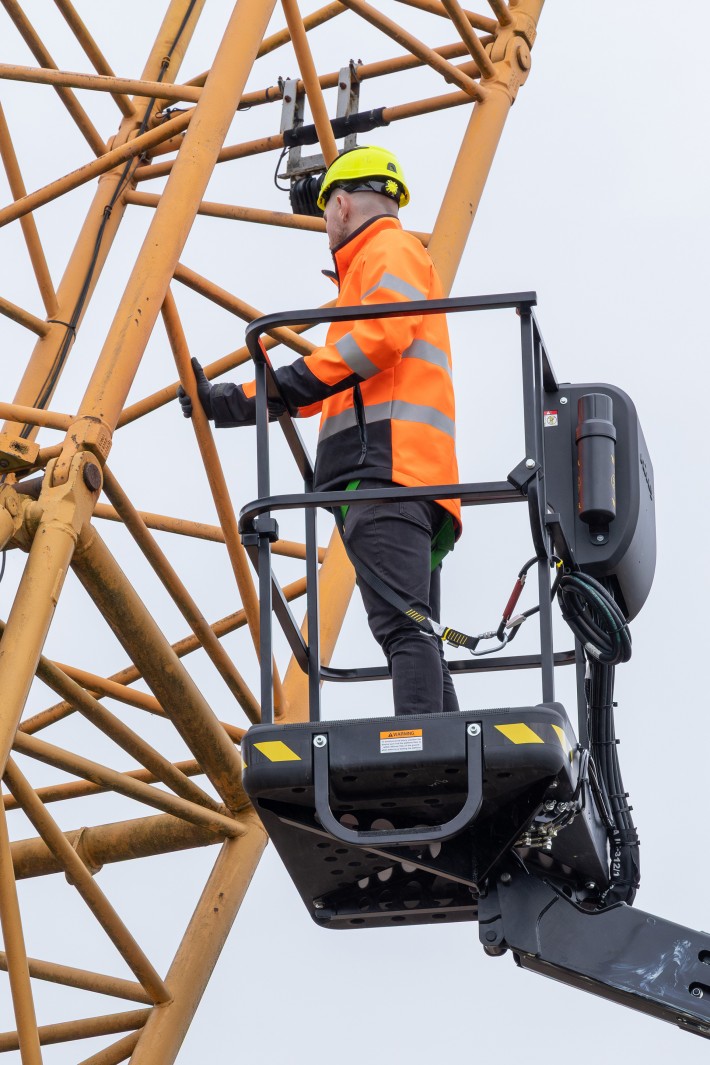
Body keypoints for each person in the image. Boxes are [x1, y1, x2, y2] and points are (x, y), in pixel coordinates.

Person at [178, 145, 461, 716]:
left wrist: (274, 389)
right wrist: (237, 401)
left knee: (403, 628)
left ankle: (428, 750)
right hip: (402, 479)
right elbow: (335, 378)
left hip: (386, 476)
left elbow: (373, 345)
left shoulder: (388, 250)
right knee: (415, 629)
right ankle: (444, 753)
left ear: (340, 206)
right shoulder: (371, 274)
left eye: (325, 213)